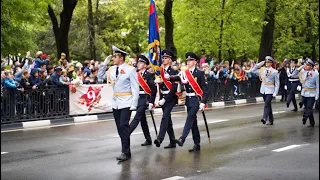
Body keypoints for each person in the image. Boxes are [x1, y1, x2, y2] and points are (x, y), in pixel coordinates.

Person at [173, 52, 208, 152]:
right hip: (188, 100)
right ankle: (197, 144)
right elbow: (178, 78)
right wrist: (169, 77)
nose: (188, 62)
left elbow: (205, 89)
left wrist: (203, 102)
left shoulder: (199, 73)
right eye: (187, 60)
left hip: (196, 100)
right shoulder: (185, 73)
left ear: (195, 62)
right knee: (193, 123)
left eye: (190, 60)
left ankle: (182, 139)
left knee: (190, 118)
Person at [108, 45, 139, 162]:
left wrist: (134, 104)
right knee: (119, 128)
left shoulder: (130, 70)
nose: (112, 58)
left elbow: (135, 88)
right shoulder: (111, 69)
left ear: (121, 57)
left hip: (126, 102)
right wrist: (102, 65)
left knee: (123, 126)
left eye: (114, 56)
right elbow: (101, 77)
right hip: (116, 102)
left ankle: (125, 151)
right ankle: (127, 151)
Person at [129, 55, 157, 146]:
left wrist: (151, 102)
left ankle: (127, 133)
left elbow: (153, 90)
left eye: (141, 63)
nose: (138, 64)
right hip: (137, 98)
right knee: (142, 120)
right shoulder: (135, 74)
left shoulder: (149, 75)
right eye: (138, 62)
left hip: (145, 98)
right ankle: (148, 139)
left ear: (145, 65)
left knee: (137, 117)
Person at [153, 49, 178, 149]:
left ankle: (160, 138)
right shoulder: (160, 71)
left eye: (166, 58)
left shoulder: (174, 71)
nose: (163, 59)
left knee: (165, 117)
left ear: (170, 60)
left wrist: (165, 99)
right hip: (163, 96)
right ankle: (172, 141)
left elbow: (174, 88)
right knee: (168, 121)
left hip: (170, 98)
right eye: (163, 58)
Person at [250, 56, 279, 125]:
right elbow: (252, 70)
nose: (267, 63)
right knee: (268, 105)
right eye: (266, 62)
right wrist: (259, 64)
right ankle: (271, 119)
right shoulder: (262, 69)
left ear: (271, 63)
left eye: (268, 62)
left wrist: (275, 92)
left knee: (266, 104)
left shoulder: (275, 72)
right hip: (263, 89)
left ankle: (264, 118)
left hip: (270, 90)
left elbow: (277, 83)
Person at [292, 58, 319, 127]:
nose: (305, 66)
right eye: (305, 65)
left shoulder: (315, 74)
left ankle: (305, 117)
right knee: (307, 107)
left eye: (307, 65)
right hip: (304, 93)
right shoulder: (302, 72)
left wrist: (317, 95)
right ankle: (312, 122)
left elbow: (318, 86)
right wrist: (300, 67)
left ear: (311, 66)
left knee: (309, 107)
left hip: (312, 93)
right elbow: (293, 74)